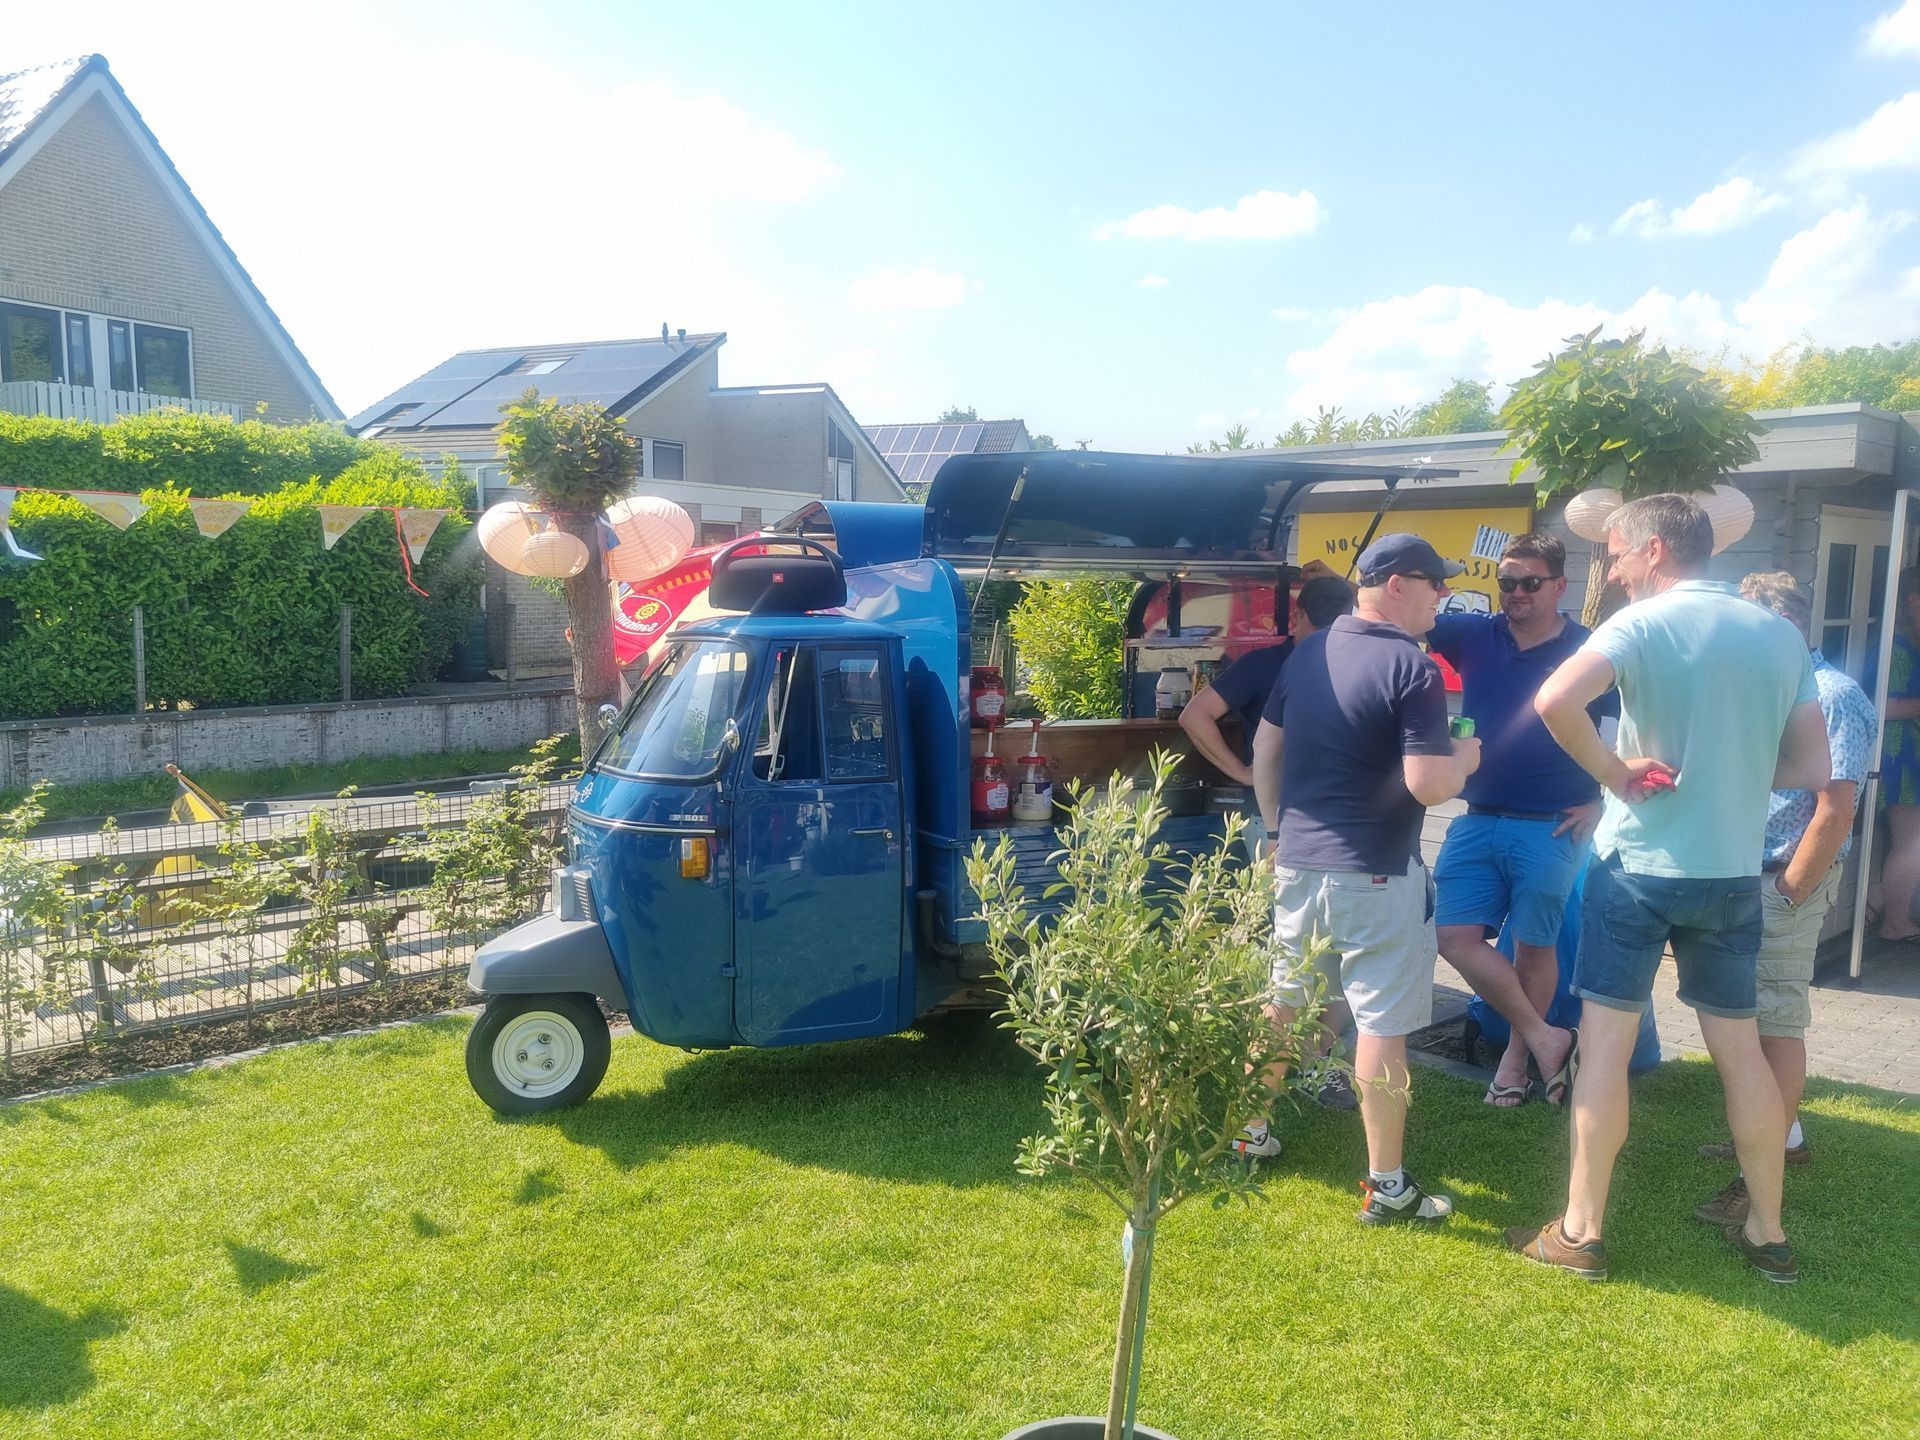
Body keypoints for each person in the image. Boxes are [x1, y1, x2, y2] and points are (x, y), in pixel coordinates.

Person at [1513, 494, 1830, 1285]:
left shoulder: (1641, 625)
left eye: (1616, 555)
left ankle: (1580, 1232)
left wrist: (1616, 774)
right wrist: (1734, 775)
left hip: (1637, 870)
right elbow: (1813, 769)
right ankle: (1767, 1230)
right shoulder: (1778, 635)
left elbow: (1554, 700)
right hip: (1728, 872)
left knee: (1605, 1057)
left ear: (1654, 549)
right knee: (1742, 1058)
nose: (1612, 572)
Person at [1240, 533, 1481, 1227]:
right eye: (1438, 582)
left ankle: (1245, 1134)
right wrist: (1464, 756)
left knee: (1284, 1003)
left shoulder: (1310, 651)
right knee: (1381, 1023)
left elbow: (1266, 747)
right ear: (1400, 583)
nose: (1445, 595)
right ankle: (1387, 1187)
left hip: (1299, 864)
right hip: (1376, 872)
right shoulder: (1414, 667)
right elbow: (1429, 785)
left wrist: (1277, 828)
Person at [1691, 572, 1875, 1225]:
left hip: (1783, 881)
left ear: (1783, 627)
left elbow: (1837, 805)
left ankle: (1756, 1175)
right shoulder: (1774, 688)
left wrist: (1793, 888)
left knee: (1773, 1023)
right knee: (1749, 1017)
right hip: (1747, 874)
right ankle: (1779, 1139)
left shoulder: (1832, 695)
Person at [1429, 533, 1613, 1108]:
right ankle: (1546, 1038)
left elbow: (1624, 732)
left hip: (1553, 825)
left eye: (1530, 583)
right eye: (1506, 583)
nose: (1516, 594)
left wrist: (1605, 798)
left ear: (1560, 585)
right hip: (1477, 816)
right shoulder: (1473, 635)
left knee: (1535, 947)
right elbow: (1405, 617)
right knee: (1453, 936)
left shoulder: (1590, 651)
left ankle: (1515, 1060)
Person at [1181, 572, 1358, 1108]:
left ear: (1299, 616)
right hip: (1317, 823)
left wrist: (1241, 771)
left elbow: (1195, 715)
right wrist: (1243, 772)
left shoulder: (1270, 661)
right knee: (1326, 951)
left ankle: (1291, 1066)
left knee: (1290, 947)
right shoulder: (1352, 659)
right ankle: (1311, 1063)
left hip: (1283, 819)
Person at [1870, 568, 1920, 940]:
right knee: (1911, 842)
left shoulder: (1905, 642)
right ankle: (1895, 923)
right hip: (1897, 758)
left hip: (1904, 755)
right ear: (1912, 600)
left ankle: (1883, 912)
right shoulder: (1899, 648)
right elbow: (1883, 706)